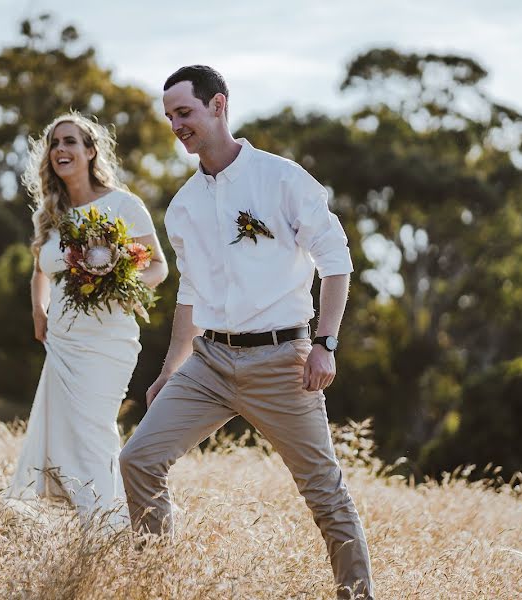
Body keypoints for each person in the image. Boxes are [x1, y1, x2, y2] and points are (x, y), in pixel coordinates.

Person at [118, 66, 374, 598]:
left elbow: (336, 261)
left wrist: (325, 343)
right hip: (209, 363)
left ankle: (357, 594)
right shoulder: (183, 205)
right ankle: (152, 583)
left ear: (219, 106)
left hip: (284, 361)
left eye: (184, 112)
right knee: (138, 459)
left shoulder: (281, 178)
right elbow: (189, 292)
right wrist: (171, 369)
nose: (176, 126)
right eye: (169, 117)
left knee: (324, 493)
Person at [6, 113, 168, 527]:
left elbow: (159, 267)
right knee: (64, 439)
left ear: (91, 150)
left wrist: (117, 281)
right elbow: (41, 268)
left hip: (107, 338)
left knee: (94, 432)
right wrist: (37, 309)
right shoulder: (50, 213)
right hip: (62, 342)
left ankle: (113, 532)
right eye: (54, 143)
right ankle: (85, 526)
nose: (60, 149)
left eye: (70, 141)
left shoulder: (123, 204)